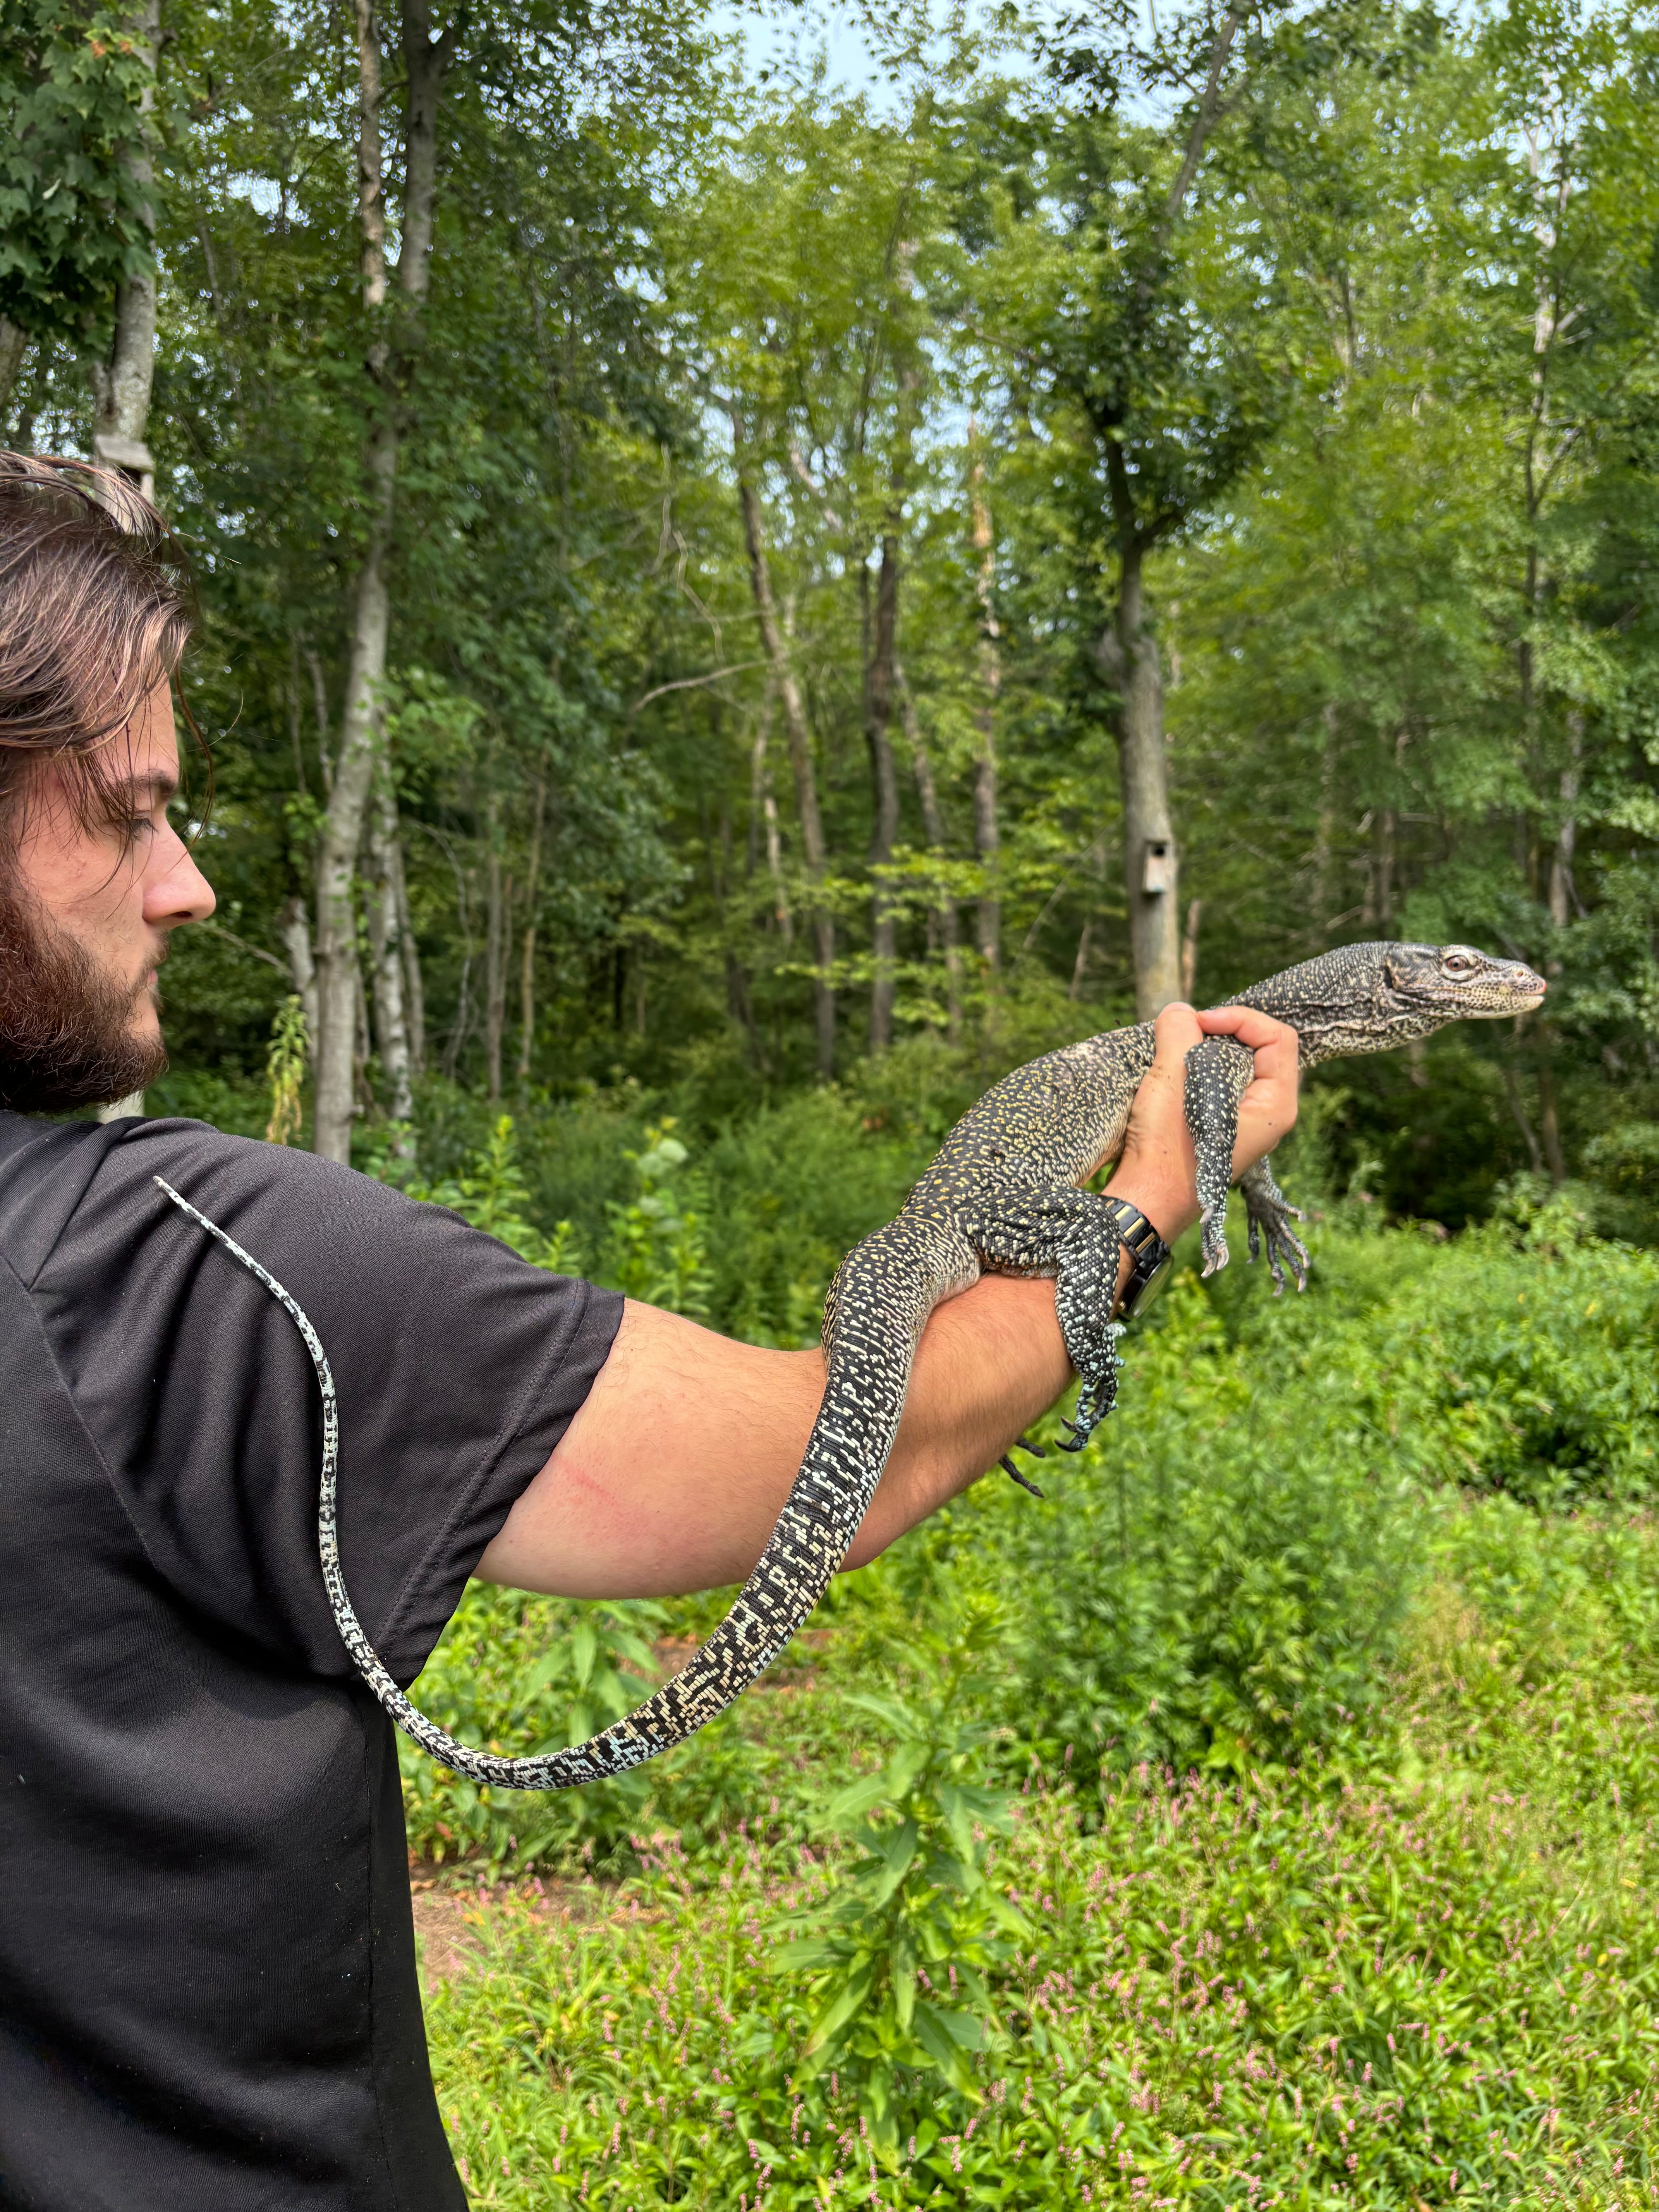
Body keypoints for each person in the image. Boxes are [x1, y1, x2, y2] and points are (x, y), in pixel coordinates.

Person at [0, 450, 1299, 2209]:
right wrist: (1142, 1213)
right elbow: (824, 1460)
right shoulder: (196, 1272)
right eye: (132, 812)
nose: (189, 886)